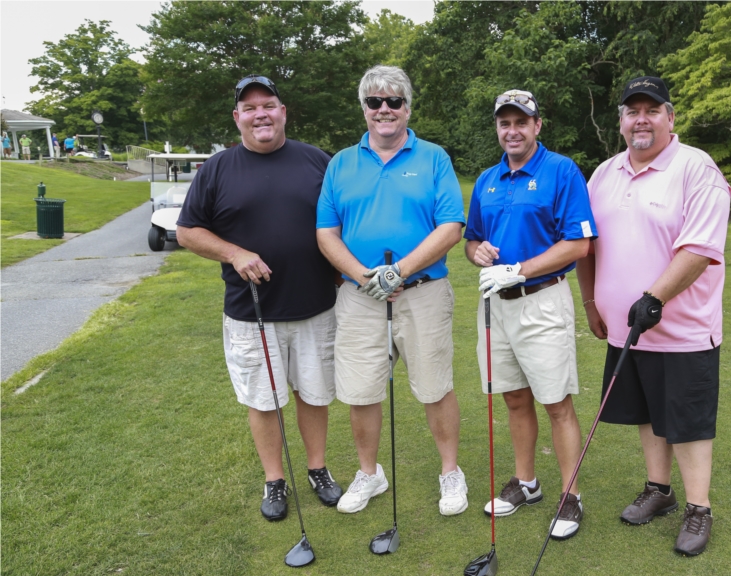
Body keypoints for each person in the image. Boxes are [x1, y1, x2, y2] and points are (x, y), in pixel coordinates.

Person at [176, 74, 343, 522]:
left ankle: (318, 469)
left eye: (267, 105)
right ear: (237, 118)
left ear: (282, 111)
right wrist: (233, 252)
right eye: (249, 109)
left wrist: (345, 270)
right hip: (252, 313)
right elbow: (187, 231)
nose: (260, 114)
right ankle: (274, 480)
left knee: (314, 393)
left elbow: (344, 221)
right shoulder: (217, 168)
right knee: (263, 399)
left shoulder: (317, 162)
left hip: (315, 306)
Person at [577, 76, 731, 556]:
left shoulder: (695, 168)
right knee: (647, 414)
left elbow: (700, 248)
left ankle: (699, 509)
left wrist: (654, 296)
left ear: (670, 117)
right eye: (631, 111)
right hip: (626, 331)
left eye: (651, 109)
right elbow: (586, 245)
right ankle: (659, 491)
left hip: (683, 330)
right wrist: (591, 303)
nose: (640, 119)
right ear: (620, 121)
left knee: (686, 421)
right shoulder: (603, 173)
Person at [316, 65, 469, 517]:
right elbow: (326, 233)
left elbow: (451, 226)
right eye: (375, 102)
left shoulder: (434, 157)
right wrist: (367, 277)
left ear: (407, 107)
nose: (384, 110)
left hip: (422, 291)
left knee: (434, 387)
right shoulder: (341, 162)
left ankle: (450, 472)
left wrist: (398, 271)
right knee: (361, 391)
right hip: (359, 296)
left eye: (394, 101)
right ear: (364, 108)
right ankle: (370, 473)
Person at [465, 90, 597, 540]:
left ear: (537, 126)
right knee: (514, 398)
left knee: (556, 403)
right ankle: (527, 483)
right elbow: (472, 241)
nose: (512, 130)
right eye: (504, 123)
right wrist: (477, 251)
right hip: (495, 305)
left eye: (521, 122)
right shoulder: (487, 179)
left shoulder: (561, 171)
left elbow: (578, 244)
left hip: (541, 299)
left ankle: (571, 495)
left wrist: (519, 269)